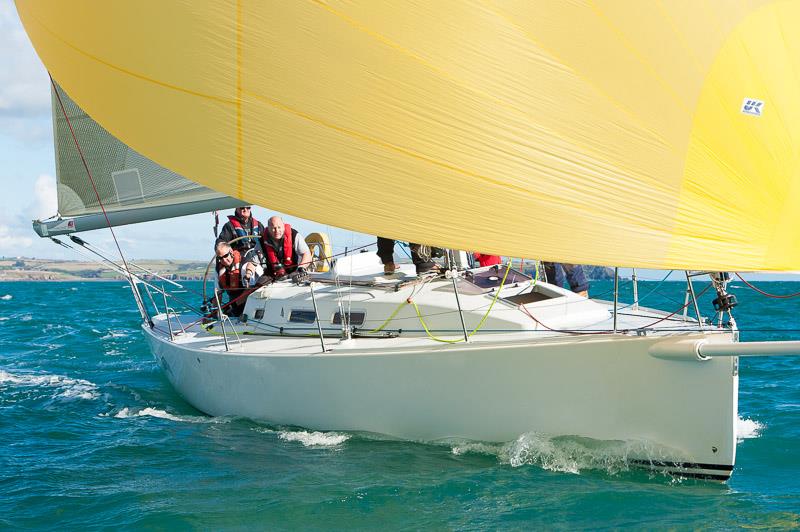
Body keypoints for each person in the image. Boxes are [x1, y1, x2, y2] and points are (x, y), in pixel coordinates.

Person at [258, 216, 312, 282]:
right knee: (260, 282)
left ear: (283, 227)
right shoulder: (261, 241)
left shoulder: (294, 235)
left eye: (279, 227)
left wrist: (301, 268)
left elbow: (306, 254)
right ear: (268, 229)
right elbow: (253, 261)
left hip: (294, 273)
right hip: (273, 276)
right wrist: (249, 272)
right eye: (274, 228)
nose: (277, 231)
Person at [214, 242, 251, 317]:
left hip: (249, 303)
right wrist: (215, 310)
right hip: (233, 304)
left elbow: (250, 291)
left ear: (231, 252)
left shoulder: (244, 265)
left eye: (225, 256)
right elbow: (218, 292)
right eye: (220, 258)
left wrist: (233, 306)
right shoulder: (218, 269)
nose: (224, 260)